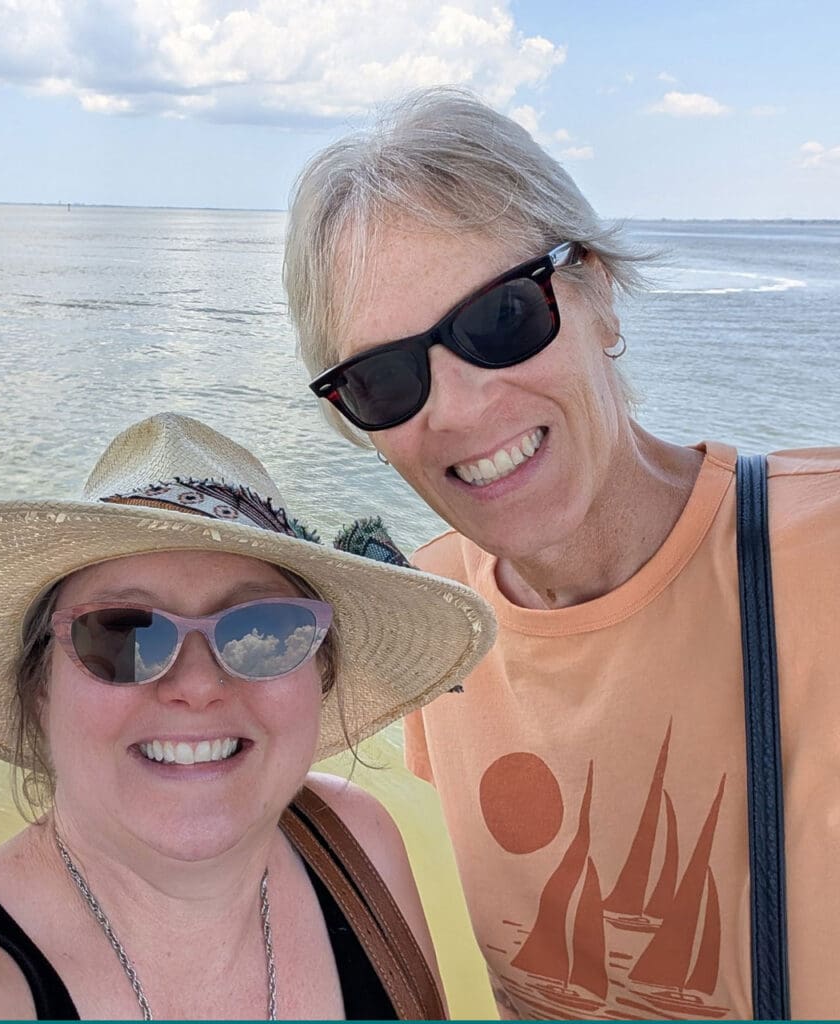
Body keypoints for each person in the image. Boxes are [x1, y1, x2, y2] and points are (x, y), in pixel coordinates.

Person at [283, 86, 840, 1020]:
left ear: (600, 296)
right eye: (385, 378)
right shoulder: (438, 619)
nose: (458, 408)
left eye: (501, 319)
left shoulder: (821, 552)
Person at [0, 411, 497, 1020]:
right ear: (40, 691)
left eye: (265, 629)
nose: (196, 685)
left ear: (318, 673)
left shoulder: (358, 844)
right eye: (121, 633)